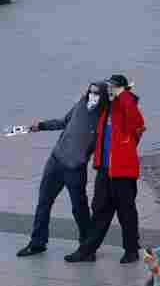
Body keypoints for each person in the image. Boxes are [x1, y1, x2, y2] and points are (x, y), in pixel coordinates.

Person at [17, 82, 110, 258]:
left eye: (96, 94)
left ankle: (87, 248)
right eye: (90, 92)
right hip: (56, 161)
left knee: (79, 209)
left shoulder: (104, 115)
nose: (92, 96)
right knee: (44, 202)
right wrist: (41, 125)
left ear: (103, 97)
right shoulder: (81, 104)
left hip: (75, 169)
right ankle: (37, 243)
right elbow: (63, 122)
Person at [65, 74, 146, 264]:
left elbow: (137, 121)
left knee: (126, 212)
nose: (110, 91)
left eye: (113, 87)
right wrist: (90, 94)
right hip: (104, 170)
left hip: (123, 172)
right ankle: (86, 251)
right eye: (109, 87)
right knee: (99, 211)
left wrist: (124, 94)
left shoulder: (127, 106)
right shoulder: (106, 108)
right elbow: (88, 101)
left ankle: (132, 251)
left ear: (122, 89)